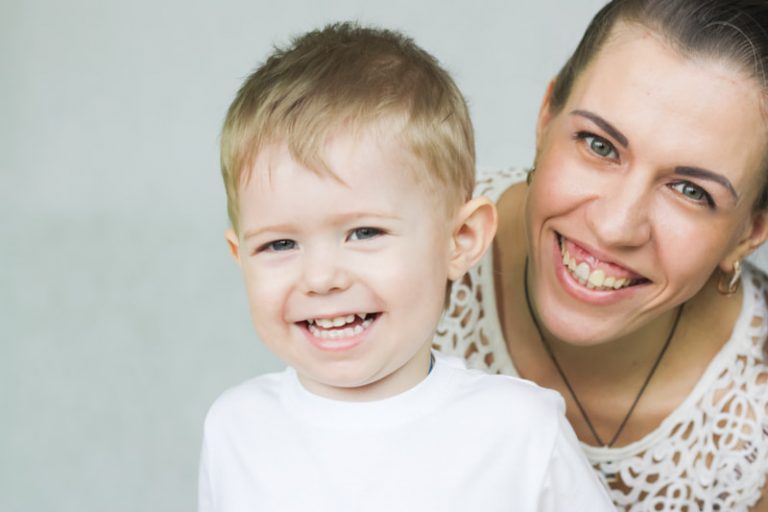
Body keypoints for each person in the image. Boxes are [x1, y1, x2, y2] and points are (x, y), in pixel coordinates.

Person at [197, 23, 614, 512]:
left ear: (460, 239)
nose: (320, 278)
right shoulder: (236, 429)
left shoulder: (519, 432)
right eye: (280, 244)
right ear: (240, 257)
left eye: (364, 233)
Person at [435, 0, 768, 510]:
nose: (614, 228)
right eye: (599, 145)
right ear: (546, 119)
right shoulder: (408, 258)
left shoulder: (754, 425)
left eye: (691, 191)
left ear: (750, 232)